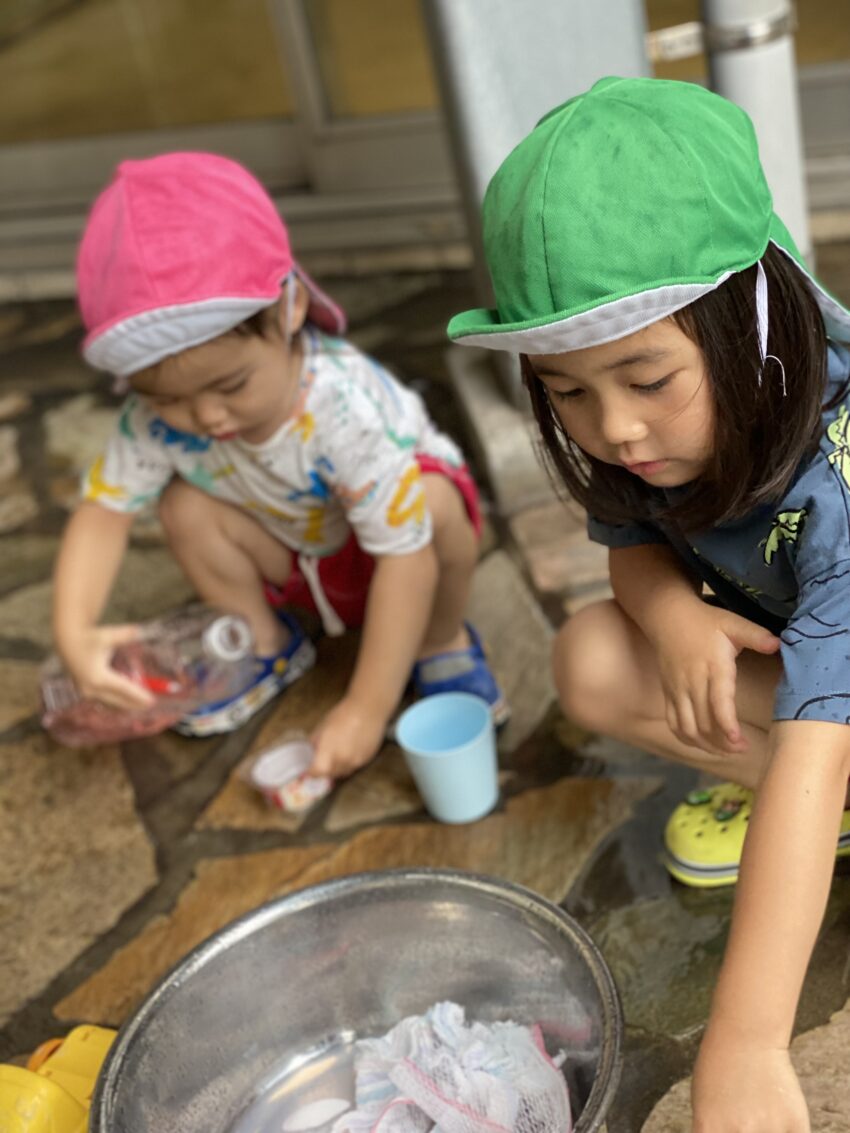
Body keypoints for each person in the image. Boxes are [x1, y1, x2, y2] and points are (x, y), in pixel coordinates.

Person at [448, 76, 850, 1132]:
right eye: (569, 391)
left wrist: (748, 1044)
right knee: (590, 656)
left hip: (837, 707)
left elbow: (819, 737)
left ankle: (813, 832)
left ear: (752, 319)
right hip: (818, 687)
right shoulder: (652, 426)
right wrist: (670, 616)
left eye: (643, 377)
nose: (615, 429)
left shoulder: (843, 476)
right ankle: (818, 831)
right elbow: (631, 550)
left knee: (819, 769)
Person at [53, 151, 506, 778]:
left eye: (232, 384)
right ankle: (266, 641)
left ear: (290, 307)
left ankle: (439, 642)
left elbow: (406, 559)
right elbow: (103, 511)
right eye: (167, 399)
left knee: (433, 502)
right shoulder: (154, 417)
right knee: (183, 506)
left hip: (400, 555)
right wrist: (73, 634)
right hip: (299, 555)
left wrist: (366, 709)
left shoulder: (342, 407)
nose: (207, 417)